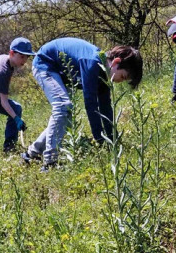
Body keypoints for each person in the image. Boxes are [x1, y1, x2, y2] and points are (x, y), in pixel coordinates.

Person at [21, 38, 143, 171]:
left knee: (66, 115)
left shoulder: (104, 73)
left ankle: (31, 154)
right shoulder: (92, 63)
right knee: (63, 107)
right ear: (116, 62)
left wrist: (112, 140)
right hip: (45, 63)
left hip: (60, 71)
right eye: (123, 76)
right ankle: (50, 162)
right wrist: (99, 139)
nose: (120, 81)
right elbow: (91, 105)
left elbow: (105, 108)